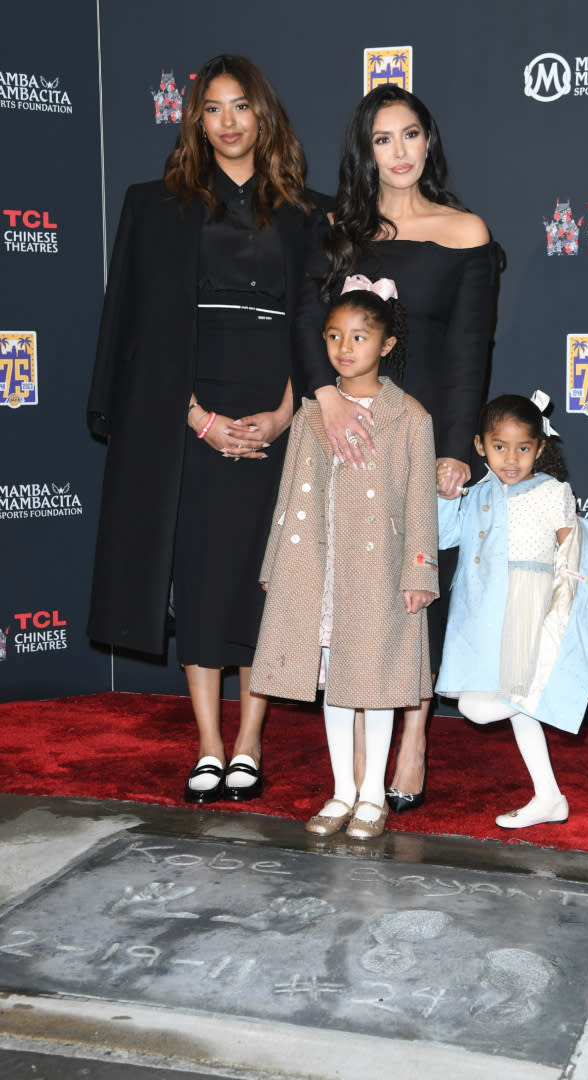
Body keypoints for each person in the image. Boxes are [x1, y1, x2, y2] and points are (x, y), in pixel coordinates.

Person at [87, 55, 327, 805]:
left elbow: (315, 326)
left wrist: (289, 413)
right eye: (213, 108)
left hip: (274, 411)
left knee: (261, 583)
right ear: (196, 120)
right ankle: (209, 745)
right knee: (199, 580)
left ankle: (251, 744)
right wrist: (198, 420)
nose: (228, 121)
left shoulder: (307, 212)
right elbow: (138, 332)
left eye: (241, 106)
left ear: (264, 115)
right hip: (189, 418)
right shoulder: (153, 205)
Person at [294, 83, 499, 811]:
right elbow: (307, 329)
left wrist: (457, 450)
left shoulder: (464, 232)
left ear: (428, 142)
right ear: (366, 151)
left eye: (410, 135)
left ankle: (413, 737)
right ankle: (355, 760)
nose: (400, 151)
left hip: (422, 441)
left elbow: (470, 349)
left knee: (414, 597)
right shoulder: (338, 233)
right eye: (384, 139)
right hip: (346, 438)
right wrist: (322, 399)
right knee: (350, 594)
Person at [250, 283, 438, 839]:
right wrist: (273, 564)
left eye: (359, 336)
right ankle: (340, 792)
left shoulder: (410, 417)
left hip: (378, 573)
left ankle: (373, 796)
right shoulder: (313, 409)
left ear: (386, 343)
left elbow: (420, 503)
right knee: (332, 684)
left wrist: (420, 572)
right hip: (318, 565)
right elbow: (290, 491)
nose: (344, 347)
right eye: (334, 336)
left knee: (374, 683)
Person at [435, 392, 588, 828]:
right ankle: (549, 796)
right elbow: (443, 539)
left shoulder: (552, 491)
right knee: (502, 706)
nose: (511, 458)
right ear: (480, 446)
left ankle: (548, 783)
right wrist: (444, 496)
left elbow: (574, 557)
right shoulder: (476, 493)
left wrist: (572, 624)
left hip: (528, 615)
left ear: (540, 448)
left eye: (523, 448)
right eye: (499, 447)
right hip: (481, 616)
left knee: (488, 706)